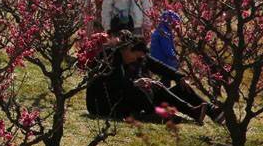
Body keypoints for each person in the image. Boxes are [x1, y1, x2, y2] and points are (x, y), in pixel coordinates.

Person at [86, 35, 218, 124]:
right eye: (137, 57)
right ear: (127, 50)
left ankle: (206, 110)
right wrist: (136, 83)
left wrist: (179, 76)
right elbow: (114, 84)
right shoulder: (110, 59)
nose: (138, 60)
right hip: (108, 104)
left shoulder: (137, 57)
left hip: (132, 97)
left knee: (173, 86)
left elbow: (160, 67)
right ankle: (157, 114)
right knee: (142, 88)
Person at [150, 10, 182, 78]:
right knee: (172, 74)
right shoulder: (163, 33)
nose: (174, 27)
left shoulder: (162, 29)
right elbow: (167, 49)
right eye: (174, 24)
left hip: (157, 59)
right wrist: (175, 57)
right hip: (162, 61)